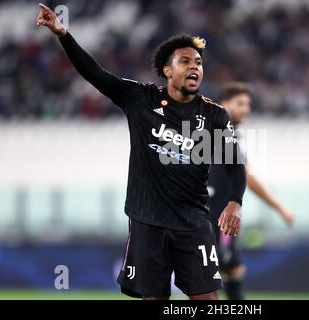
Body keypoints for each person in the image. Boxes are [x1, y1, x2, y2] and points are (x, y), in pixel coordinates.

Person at [36, 3, 246, 300]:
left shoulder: (214, 115)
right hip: (148, 221)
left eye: (198, 62)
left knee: (208, 300)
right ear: (167, 70)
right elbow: (95, 74)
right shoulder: (140, 99)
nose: (195, 67)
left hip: (193, 224)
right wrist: (63, 34)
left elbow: (235, 164)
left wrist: (235, 201)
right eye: (185, 61)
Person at [208, 82, 294, 300]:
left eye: (248, 104)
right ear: (224, 104)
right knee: (212, 274)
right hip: (214, 215)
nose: (245, 109)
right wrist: (279, 207)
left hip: (223, 215)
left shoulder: (229, 135)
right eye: (240, 103)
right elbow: (249, 177)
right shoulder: (217, 133)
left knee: (232, 269)